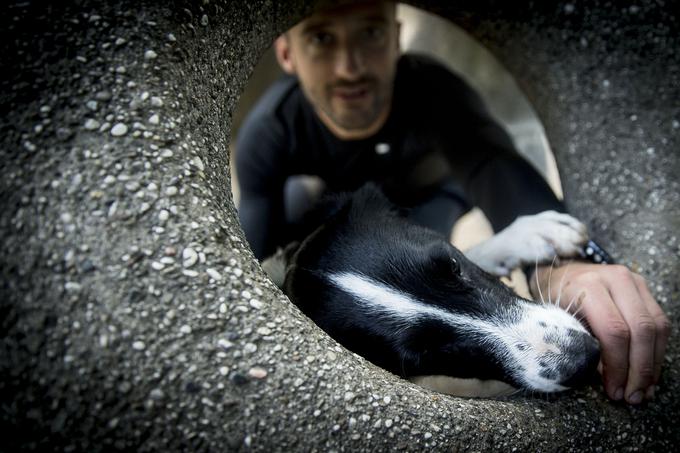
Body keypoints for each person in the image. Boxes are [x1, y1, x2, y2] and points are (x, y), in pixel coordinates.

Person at [234, 0, 669, 405]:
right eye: (322, 38)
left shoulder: (431, 87)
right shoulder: (269, 131)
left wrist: (559, 266)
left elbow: (492, 165)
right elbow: (253, 263)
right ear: (287, 55)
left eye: (370, 32)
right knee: (297, 207)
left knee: (434, 252)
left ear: (396, 36)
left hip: (433, 200)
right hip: (338, 218)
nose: (350, 67)